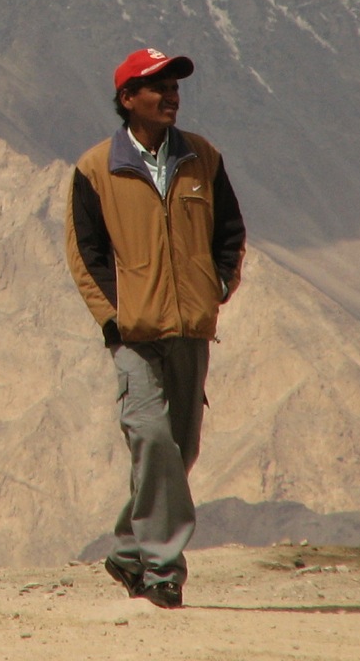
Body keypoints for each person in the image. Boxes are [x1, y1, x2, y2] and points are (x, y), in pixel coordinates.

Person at [64, 47, 245, 609]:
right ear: (127, 99)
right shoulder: (96, 169)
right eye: (157, 86)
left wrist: (214, 286)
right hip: (136, 336)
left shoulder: (203, 159)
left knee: (179, 449)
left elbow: (230, 233)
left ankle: (126, 547)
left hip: (191, 328)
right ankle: (164, 568)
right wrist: (116, 318)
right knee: (151, 437)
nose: (171, 95)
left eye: (174, 86)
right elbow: (85, 253)